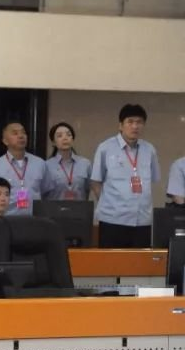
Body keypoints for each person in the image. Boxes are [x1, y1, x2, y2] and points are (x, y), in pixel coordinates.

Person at [90, 104, 160, 248]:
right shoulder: (105, 148)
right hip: (112, 220)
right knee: (111, 261)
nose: (135, 126)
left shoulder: (149, 150)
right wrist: (110, 204)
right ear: (120, 125)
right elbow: (96, 182)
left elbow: (153, 180)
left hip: (142, 220)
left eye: (139, 122)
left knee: (139, 261)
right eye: (130, 122)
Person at [0, 122, 47, 215]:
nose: (21, 136)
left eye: (23, 133)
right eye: (15, 133)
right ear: (5, 141)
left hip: (35, 220)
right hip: (7, 220)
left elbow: (45, 193)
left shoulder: (40, 164)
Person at [43, 122, 92, 201]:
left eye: (68, 135)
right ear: (53, 142)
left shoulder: (85, 164)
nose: (65, 138)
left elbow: (88, 190)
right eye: (60, 136)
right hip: (54, 208)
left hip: (79, 208)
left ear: (72, 139)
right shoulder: (46, 166)